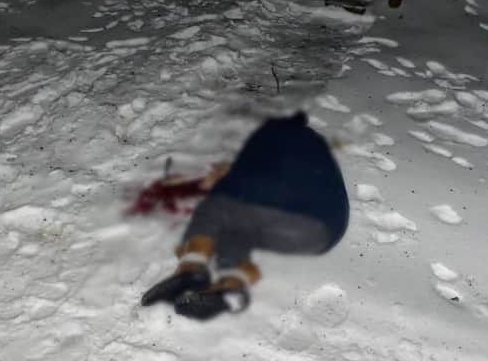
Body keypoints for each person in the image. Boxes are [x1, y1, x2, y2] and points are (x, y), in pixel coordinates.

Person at [141, 111, 350, 320]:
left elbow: (253, 182)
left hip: (309, 219)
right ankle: (230, 289)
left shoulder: (277, 139)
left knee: (214, 209)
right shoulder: (306, 142)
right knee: (236, 227)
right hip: (326, 233)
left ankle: (191, 269)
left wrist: (221, 182)